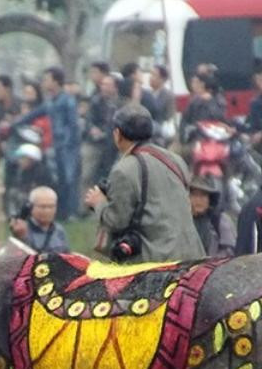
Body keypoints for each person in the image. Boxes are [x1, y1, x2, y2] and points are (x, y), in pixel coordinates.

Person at [85, 104, 203, 263]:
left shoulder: (123, 170)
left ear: (117, 134)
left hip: (157, 261)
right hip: (193, 255)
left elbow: (116, 220)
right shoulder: (175, 159)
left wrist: (99, 203)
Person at [13, 67, 81, 220]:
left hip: (67, 148)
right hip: (55, 147)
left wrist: (69, 145)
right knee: (59, 181)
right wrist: (16, 123)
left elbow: (73, 126)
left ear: (56, 81)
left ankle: (71, 213)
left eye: (47, 79)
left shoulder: (67, 101)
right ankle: (61, 213)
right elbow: (34, 114)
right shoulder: (50, 102)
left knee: (69, 181)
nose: (44, 82)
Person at [84, 74, 121, 187]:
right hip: (96, 143)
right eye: (103, 84)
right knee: (86, 175)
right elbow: (89, 119)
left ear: (115, 88)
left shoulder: (121, 104)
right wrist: (92, 129)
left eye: (108, 85)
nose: (104, 87)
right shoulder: (96, 101)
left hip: (114, 145)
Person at [10, 186, 69, 254]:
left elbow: (67, 256)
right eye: (42, 207)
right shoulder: (22, 230)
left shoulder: (59, 230)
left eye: (51, 206)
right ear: (30, 207)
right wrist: (21, 237)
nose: (47, 211)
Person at [189, 173, 235, 258]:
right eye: (195, 195)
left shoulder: (219, 220)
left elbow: (229, 250)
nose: (198, 200)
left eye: (203, 195)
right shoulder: (183, 220)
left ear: (209, 199)